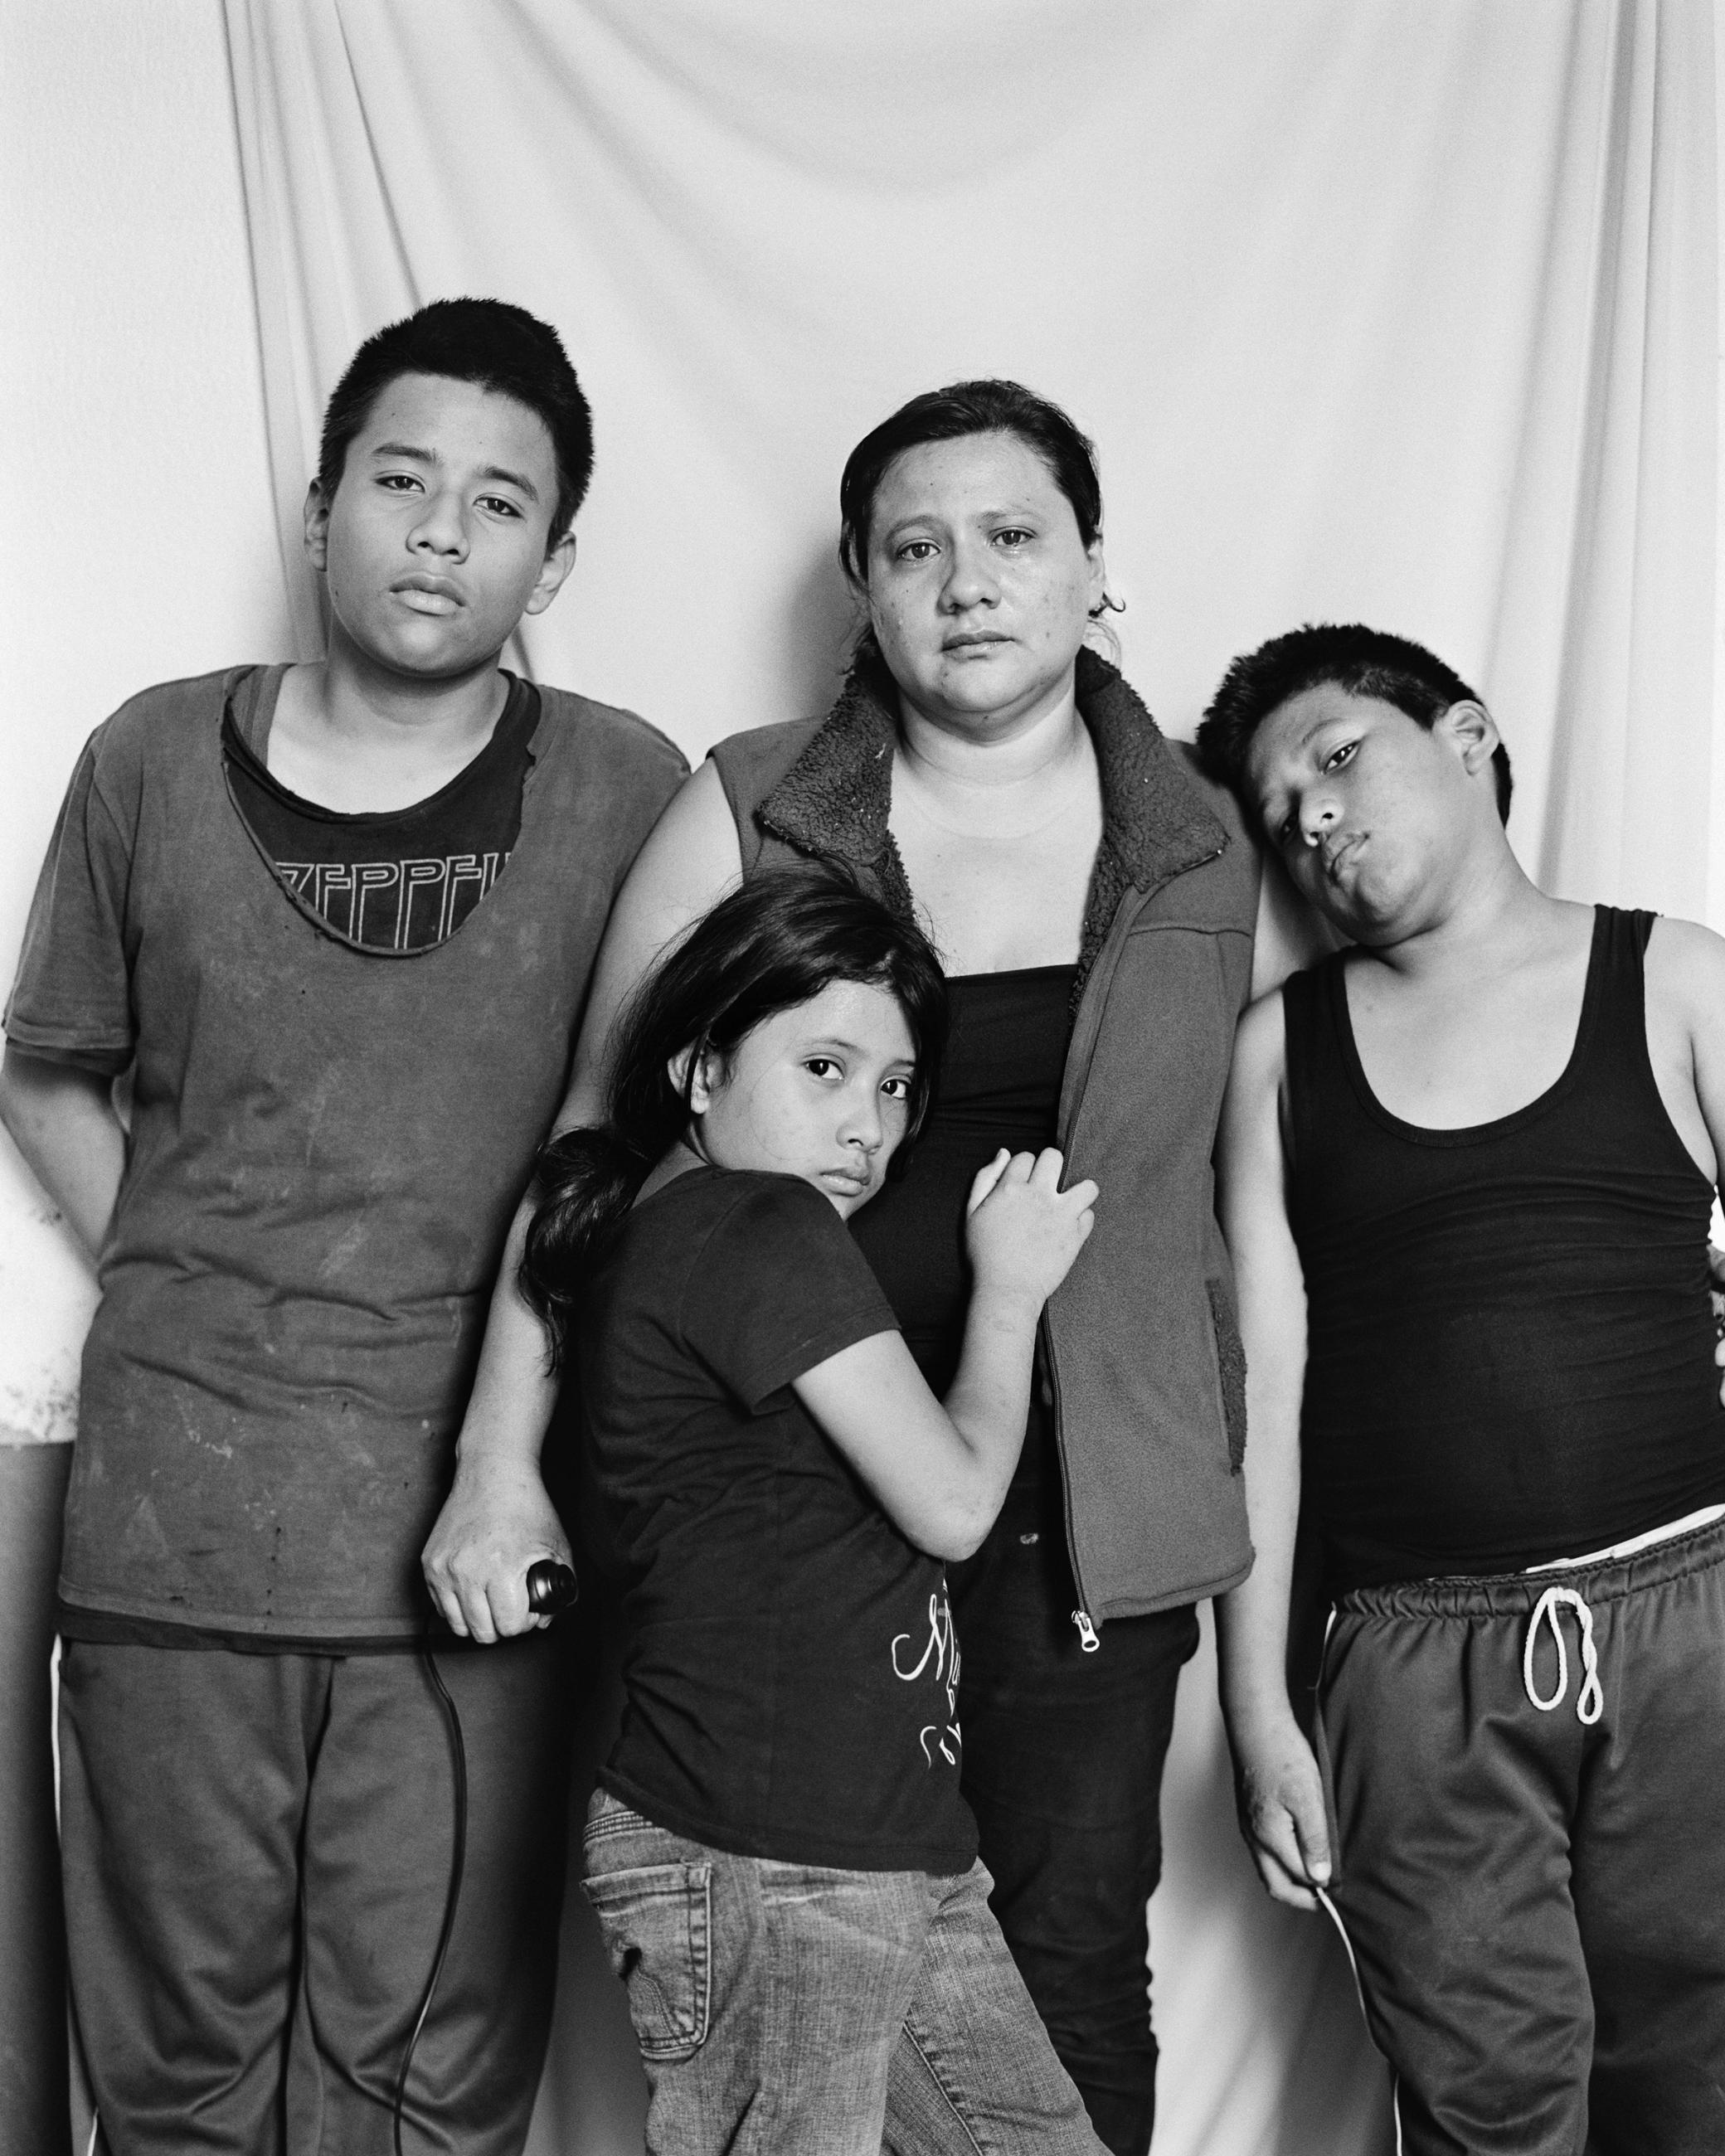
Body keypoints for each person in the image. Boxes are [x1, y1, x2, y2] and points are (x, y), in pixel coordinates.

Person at [438, 377, 1316, 2153]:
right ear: (864, 585)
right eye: (913, 549)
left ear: (1093, 570)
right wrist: (493, 1460)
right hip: (782, 1503)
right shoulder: (750, 801)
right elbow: (596, 1143)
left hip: (1091, 1509)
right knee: (806, 1976)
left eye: (1012, 537)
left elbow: (1284, 1175)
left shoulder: (1212, 842)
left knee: (1061, 1967)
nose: (966, 581)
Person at [0, 298, 687, 2154]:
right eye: (400, 482)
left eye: (498, 503)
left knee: (426, 2082)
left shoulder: (629, 790)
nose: (441, 533)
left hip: (473, 1542)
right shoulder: (150, 758)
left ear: (555, 560)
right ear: (320, 512)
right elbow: (48, 1068)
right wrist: (188, 1272)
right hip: (174, 1533)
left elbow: (654, 1131)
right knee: (173, 2077)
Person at [1198, 622, 1725, 2154]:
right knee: (1488, 2112)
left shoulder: (1673, 977)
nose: (1313, 814)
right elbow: (1265, 1398)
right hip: (1416, 1669)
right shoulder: (1279, 1055)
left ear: (1471, 734)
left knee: (1703, 2087)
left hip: (1694, 1617)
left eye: (1339, 757)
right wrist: (1257, 1714)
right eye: (1281, 810)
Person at [518, 865, 1104, 2152]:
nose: (868, 1127)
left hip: (870, 1842)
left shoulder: (678, 1228)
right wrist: (1010, 1294)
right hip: (773, 1850)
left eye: (895, 1087)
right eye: (825, 1069)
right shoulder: (757, 1224)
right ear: (699, 1070)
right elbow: (955, 1504)